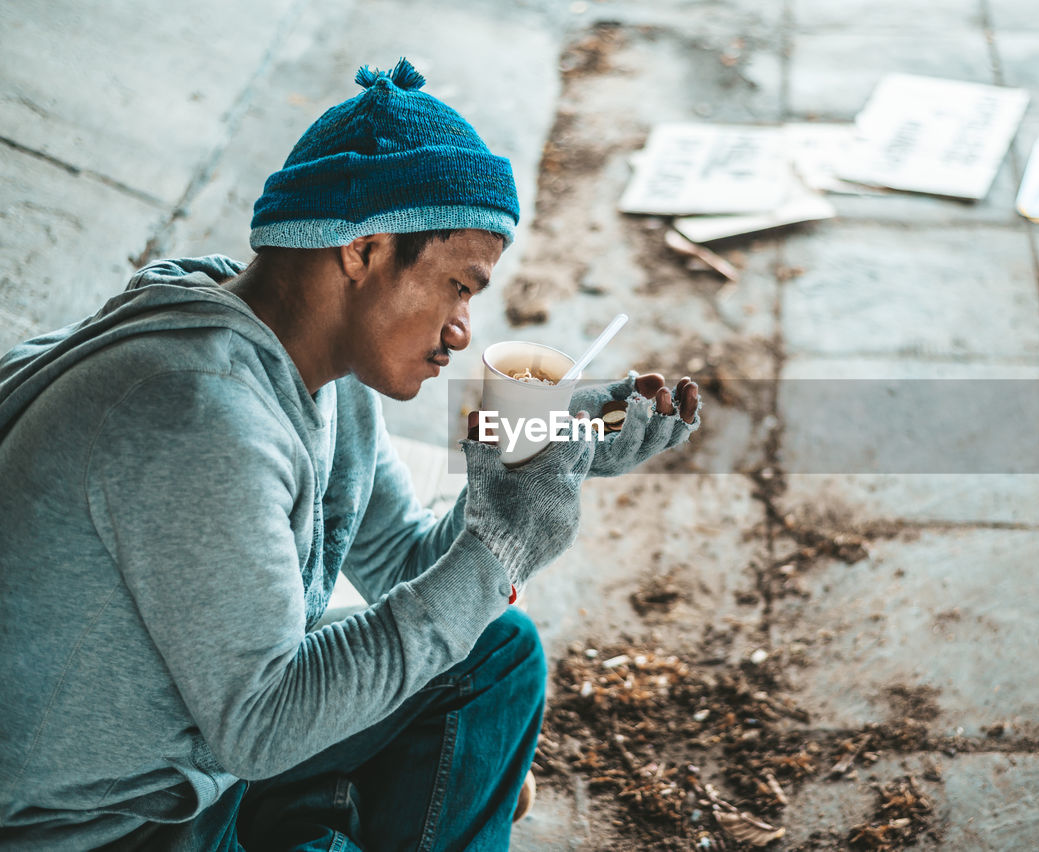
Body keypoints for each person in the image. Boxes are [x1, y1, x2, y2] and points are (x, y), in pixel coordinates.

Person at [0, 58, 699, 851]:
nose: (463, 329)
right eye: (458, 287)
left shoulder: (302, 356)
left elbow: (401, 555)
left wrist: (537, 461)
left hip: (194, 747)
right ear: (362, 250)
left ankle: (324, 808)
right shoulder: (199, 421)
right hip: (102, 825)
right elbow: (262, 725)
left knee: (498, 655)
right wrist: (498, 548)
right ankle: (324, 814)